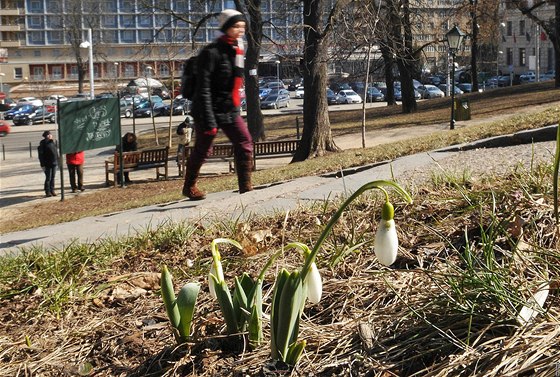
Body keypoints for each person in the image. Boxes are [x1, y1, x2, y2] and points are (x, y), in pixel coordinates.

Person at [182, 9, 254, 200]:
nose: (241, 30)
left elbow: (235, 82)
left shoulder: (237, 49)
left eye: (243, 27)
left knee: (244, 141)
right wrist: (208, 120)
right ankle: (189, 186)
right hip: (207, 108)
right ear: (227, 27)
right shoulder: (211, 52)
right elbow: (203, 89)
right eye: (237, 26)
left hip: (228, 108)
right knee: (204, 149)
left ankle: (245, 188)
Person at [38, 130, 58, 197]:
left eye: (50, 134)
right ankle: (47, 191)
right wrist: (42, 164)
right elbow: (41, 155)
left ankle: (52, 190)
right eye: (48, 135)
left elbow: (55, 152)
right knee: (48, 178)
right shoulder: (43, 144)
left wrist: (57, 160)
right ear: (45, 136)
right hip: (47, 164)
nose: (50, 136)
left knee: (53, 177)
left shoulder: (52, 142)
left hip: (54, 163)